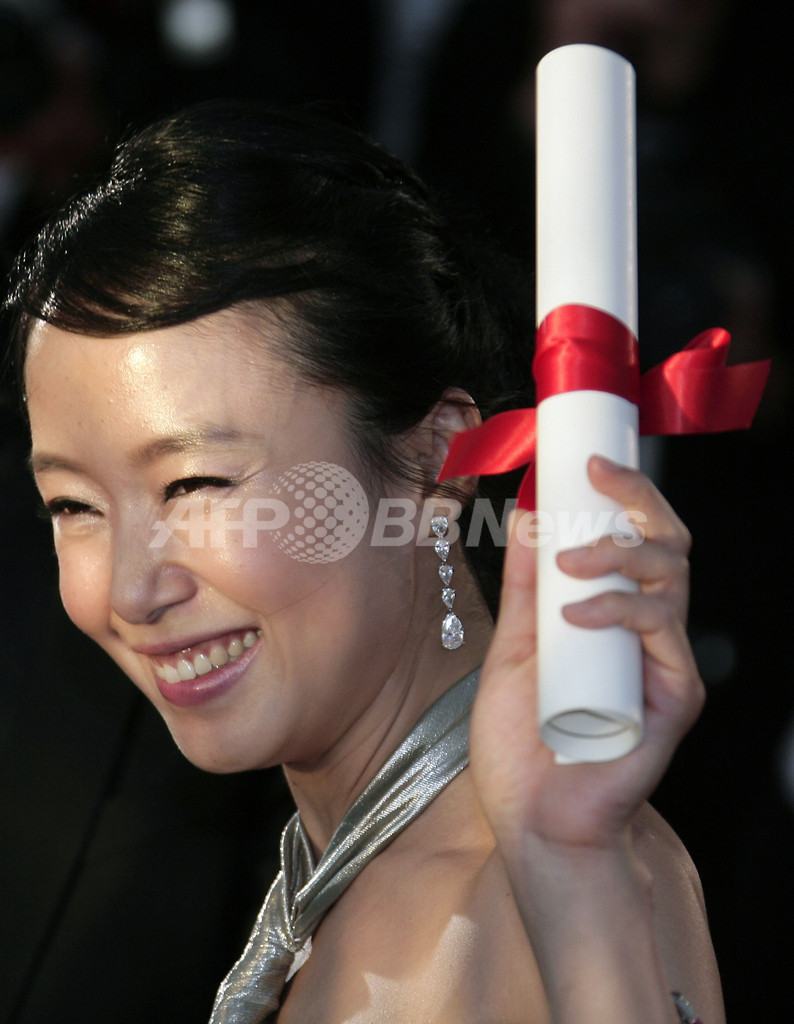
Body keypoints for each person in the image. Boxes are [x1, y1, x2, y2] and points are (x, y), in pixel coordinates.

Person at [5, 101, 723, 1023]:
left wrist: (572, 875)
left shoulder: (495, 913)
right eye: (74, 506)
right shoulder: (415, 877)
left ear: (436, 459)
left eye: (195, 485)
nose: (130, 590)